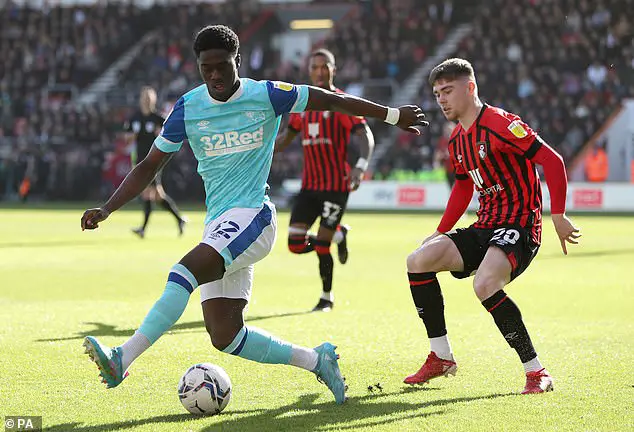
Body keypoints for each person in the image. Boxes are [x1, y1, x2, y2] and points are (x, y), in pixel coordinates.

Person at [80, 25, 427, 405]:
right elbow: (149, 165)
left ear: (238, 62)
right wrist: (108, 207)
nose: (213, 75)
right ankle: (317, 360)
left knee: (182, 273)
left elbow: (331, 100)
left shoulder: (267, 95)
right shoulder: (188, 107)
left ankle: (121, 359)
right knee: (225, 335)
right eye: (205, 68)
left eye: (221, 66)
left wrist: (392, 114)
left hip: (254, 217)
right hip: (220, 224)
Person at [403, 58, 581, 394]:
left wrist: (558, 215)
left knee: (484, 283)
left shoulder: (500, 123)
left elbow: (552, 161)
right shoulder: (457, 139)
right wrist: (441, 230)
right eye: (437, 93)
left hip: (521, 225)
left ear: (470, 88)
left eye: (448, 91)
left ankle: (537, 372)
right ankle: (441, 356)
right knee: (418, 260)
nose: (441, 99)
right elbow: (462, 187)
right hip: (486, 225)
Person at [275, 48, 375, 312]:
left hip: (335, 187)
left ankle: (326, 297)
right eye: (315, 67)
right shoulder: (301, 105)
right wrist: (260, 148)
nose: (320, 71)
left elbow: (365, 135)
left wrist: (360, 166)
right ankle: (338, 235)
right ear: (309, 71)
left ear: (334, 69)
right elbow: (285, 138)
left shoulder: (342, 103)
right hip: (309, 187)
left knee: (321, 245)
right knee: (295, 244)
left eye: (325, 66)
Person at [123, 86, 186, 238]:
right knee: (157, 195)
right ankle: (179, 219)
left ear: (153, 100)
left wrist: (160, 135)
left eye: (149, 98)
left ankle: (143, 229)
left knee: (148, 193)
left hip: (154, 160)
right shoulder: (135, 118)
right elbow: (126, 138)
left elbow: (169, 133)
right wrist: (133, 136)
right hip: (140, 160)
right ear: (141, 100)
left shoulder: (158, 118)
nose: (146, 100)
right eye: (144, 97)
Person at [434, 121, 457, 189]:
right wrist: (437, 161)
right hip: (448, 168)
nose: (448, 131)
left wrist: (450, 154)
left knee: (458, 188)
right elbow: (438, 152)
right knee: (451, 188)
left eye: (449, 129)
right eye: (446, 129)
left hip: (458, 169)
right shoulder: (442, 140)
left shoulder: (458, 139)